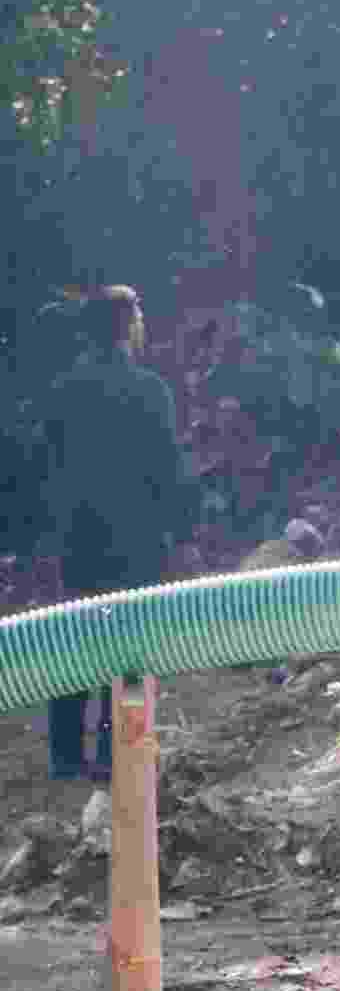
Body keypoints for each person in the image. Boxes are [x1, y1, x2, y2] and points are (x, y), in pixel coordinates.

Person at [37, 287, 188, 781]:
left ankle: (64, 754)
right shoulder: (149, 390)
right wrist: (180, 528)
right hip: (136, 532)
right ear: (128, 328)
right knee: (128, 641)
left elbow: (46, 467)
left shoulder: (62, 389)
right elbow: (167, 467)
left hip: (79, 532)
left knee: (75, 634)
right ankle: (112, 748)